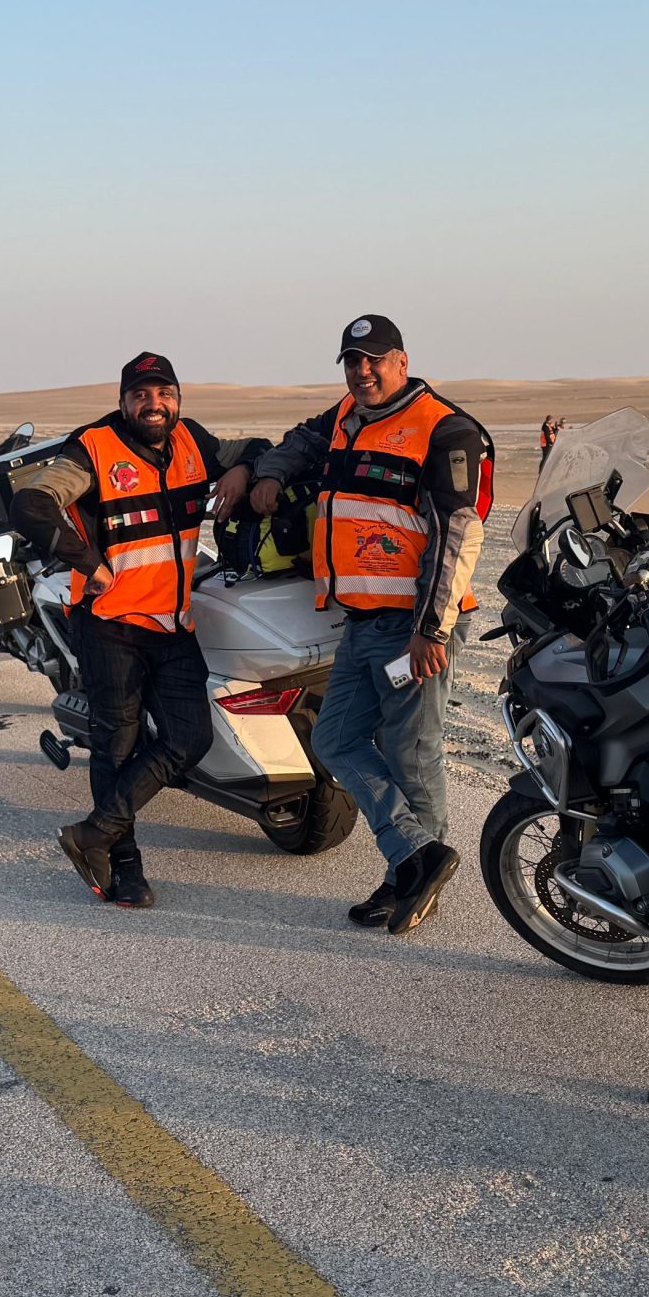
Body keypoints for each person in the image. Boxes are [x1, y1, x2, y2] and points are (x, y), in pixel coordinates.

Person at [221, 314, 493, 936]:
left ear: (402, 361)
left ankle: (412, 882)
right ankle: (416, 858)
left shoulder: (443, 429)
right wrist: (269, 472)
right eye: (352, 360)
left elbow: (457, 534)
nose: (362, 371)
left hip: (413, 627)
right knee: (336, 739)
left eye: (374, 359)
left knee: (411, 752)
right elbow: (300, 441)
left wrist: (432, 630)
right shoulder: (347, 415)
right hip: (364, 622)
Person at [13, 353, 262, 909]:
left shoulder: (193, 440)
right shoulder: (93, 447)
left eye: (164, 393)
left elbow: (256, 448)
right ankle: (124, 867)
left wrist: (244, 469)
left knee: (190, 739)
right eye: (141, 395)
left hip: (172, 624)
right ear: (123, 401)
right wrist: (87, 562)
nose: (154, 404)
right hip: (110, 625)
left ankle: (94, 833)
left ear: (178, 399)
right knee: (116, 746)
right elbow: (31, 503)